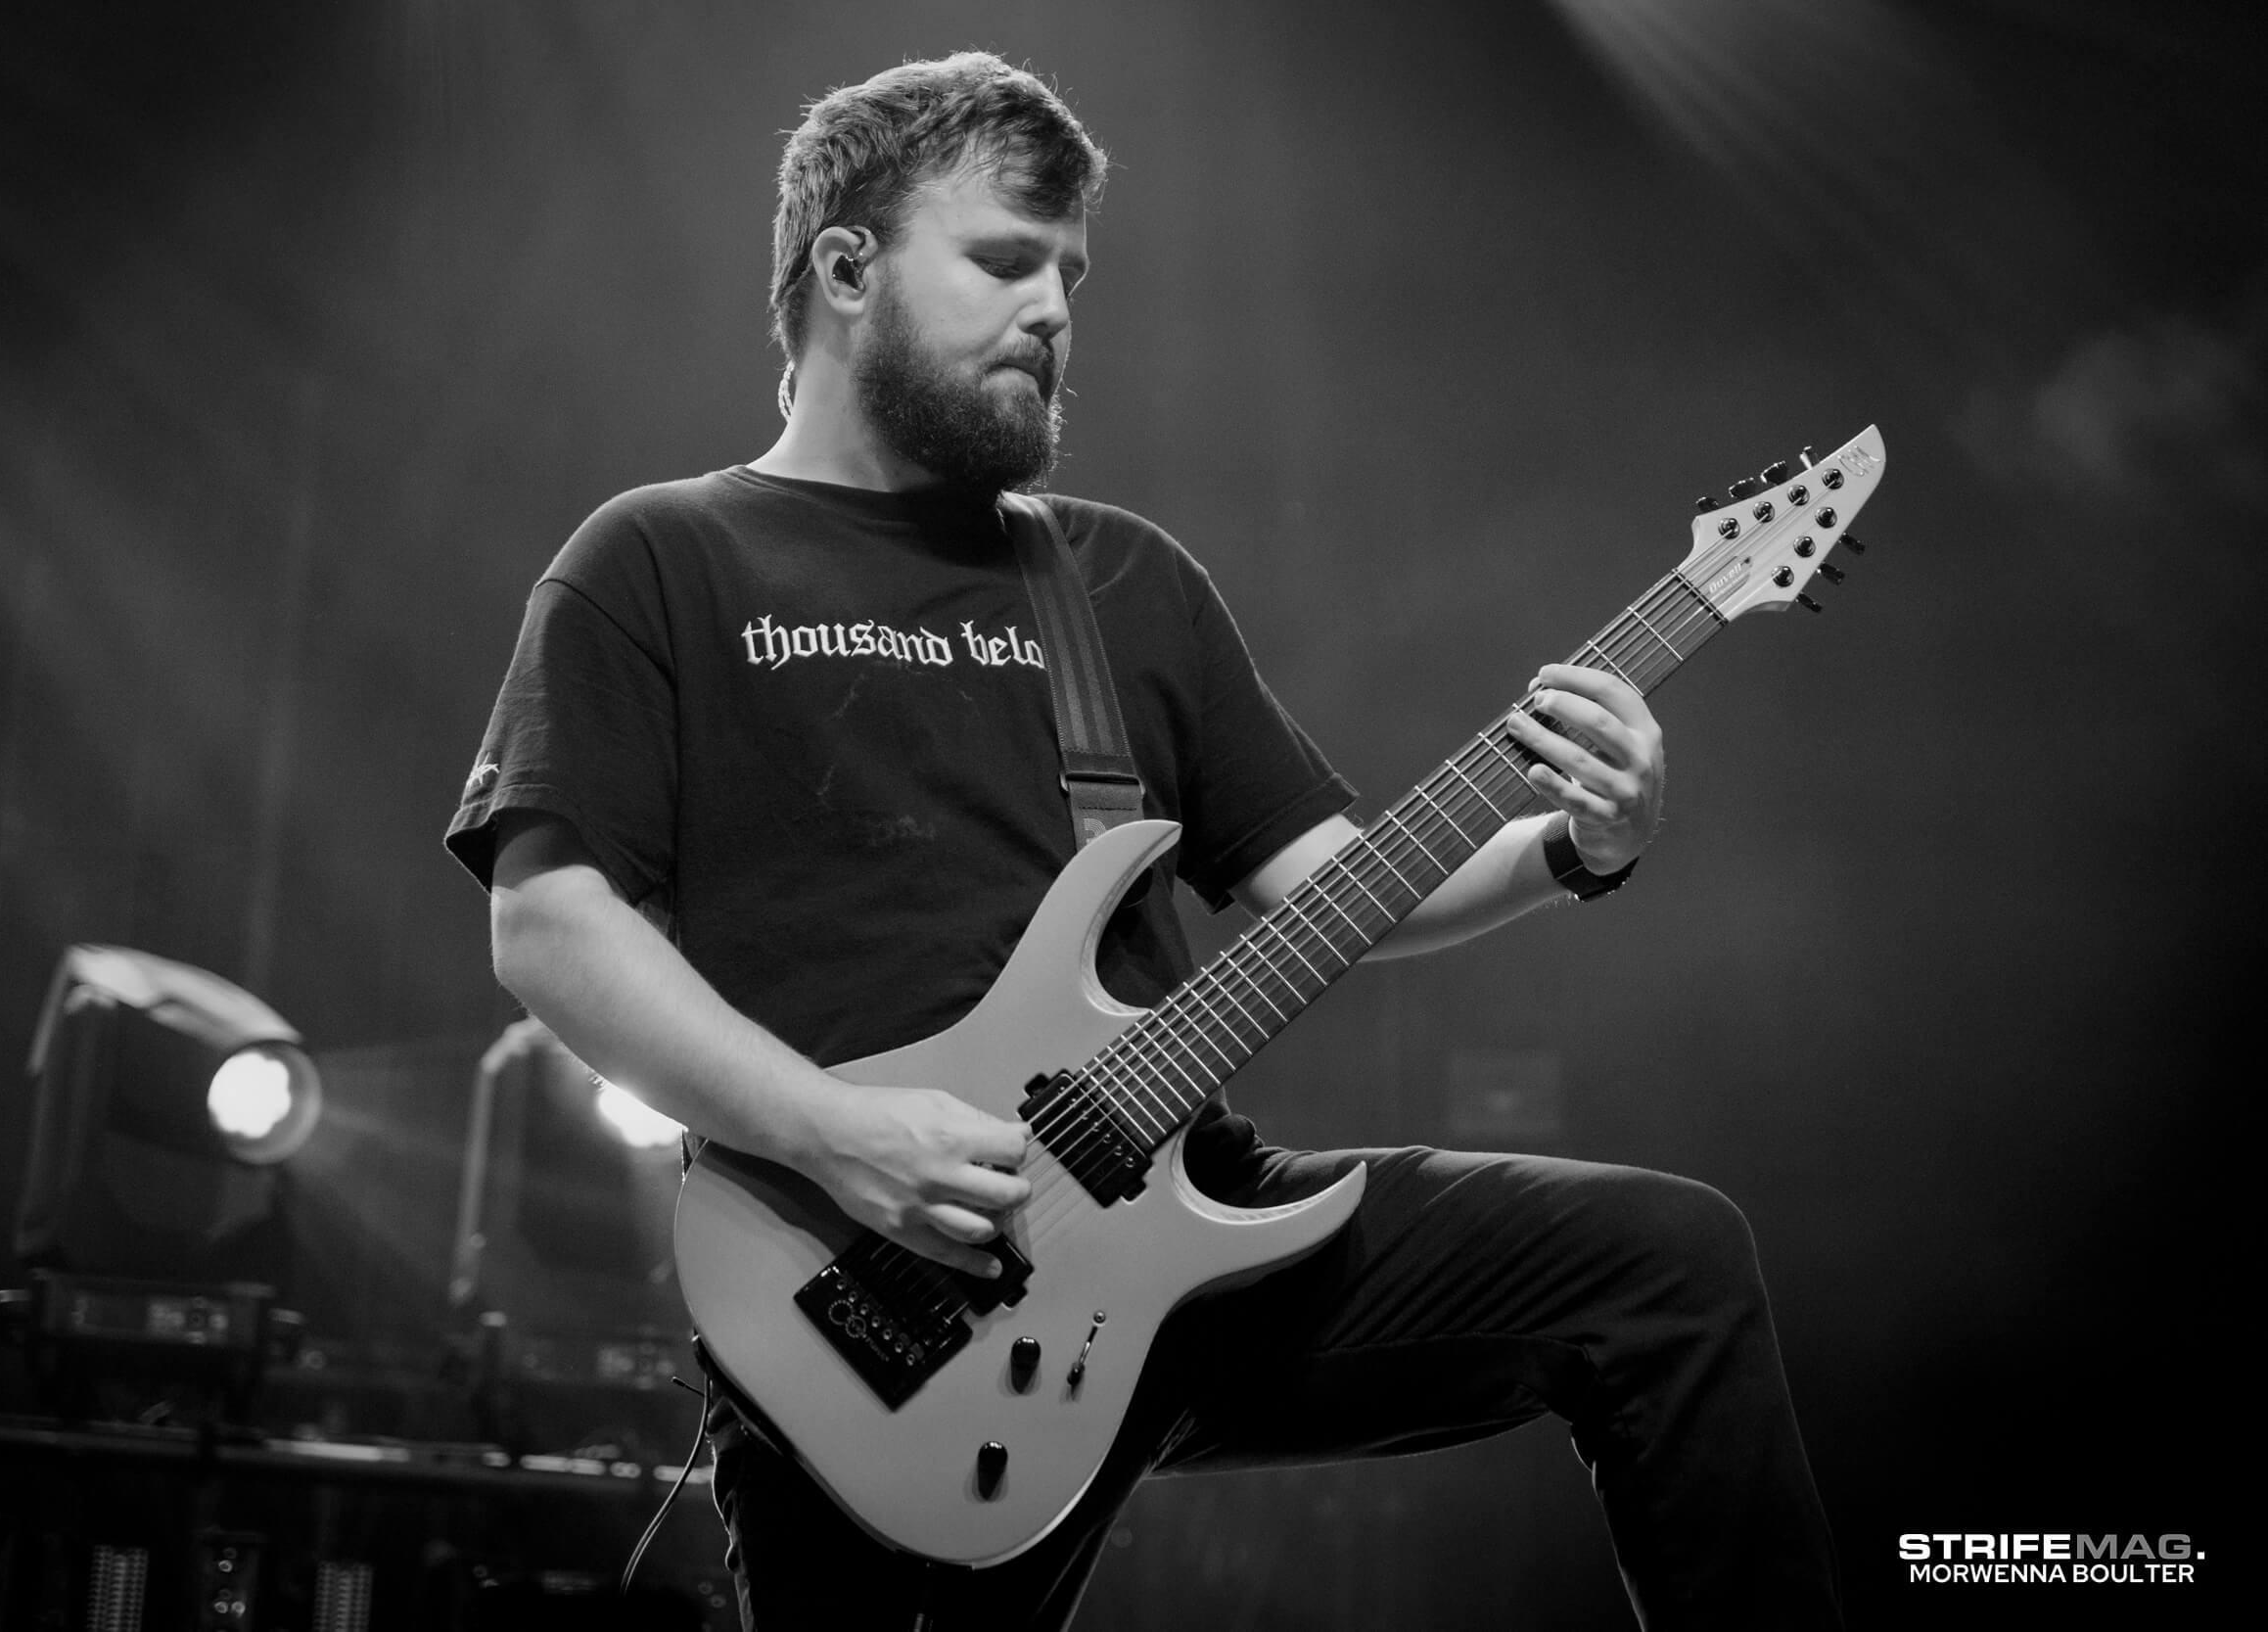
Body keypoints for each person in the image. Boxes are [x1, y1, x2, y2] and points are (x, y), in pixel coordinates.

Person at [444, 51, 1841, 1631]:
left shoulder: (1119, 581)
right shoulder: (658, 558)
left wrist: (1578, 843)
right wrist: (839, 1137)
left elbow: (1335, 885)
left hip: (1187, 1234)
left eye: (1070, 273)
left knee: (1666, 1269)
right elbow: (549, 923)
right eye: (1003, 260)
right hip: (868, 1292)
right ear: (843, 270)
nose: (1051, 309)